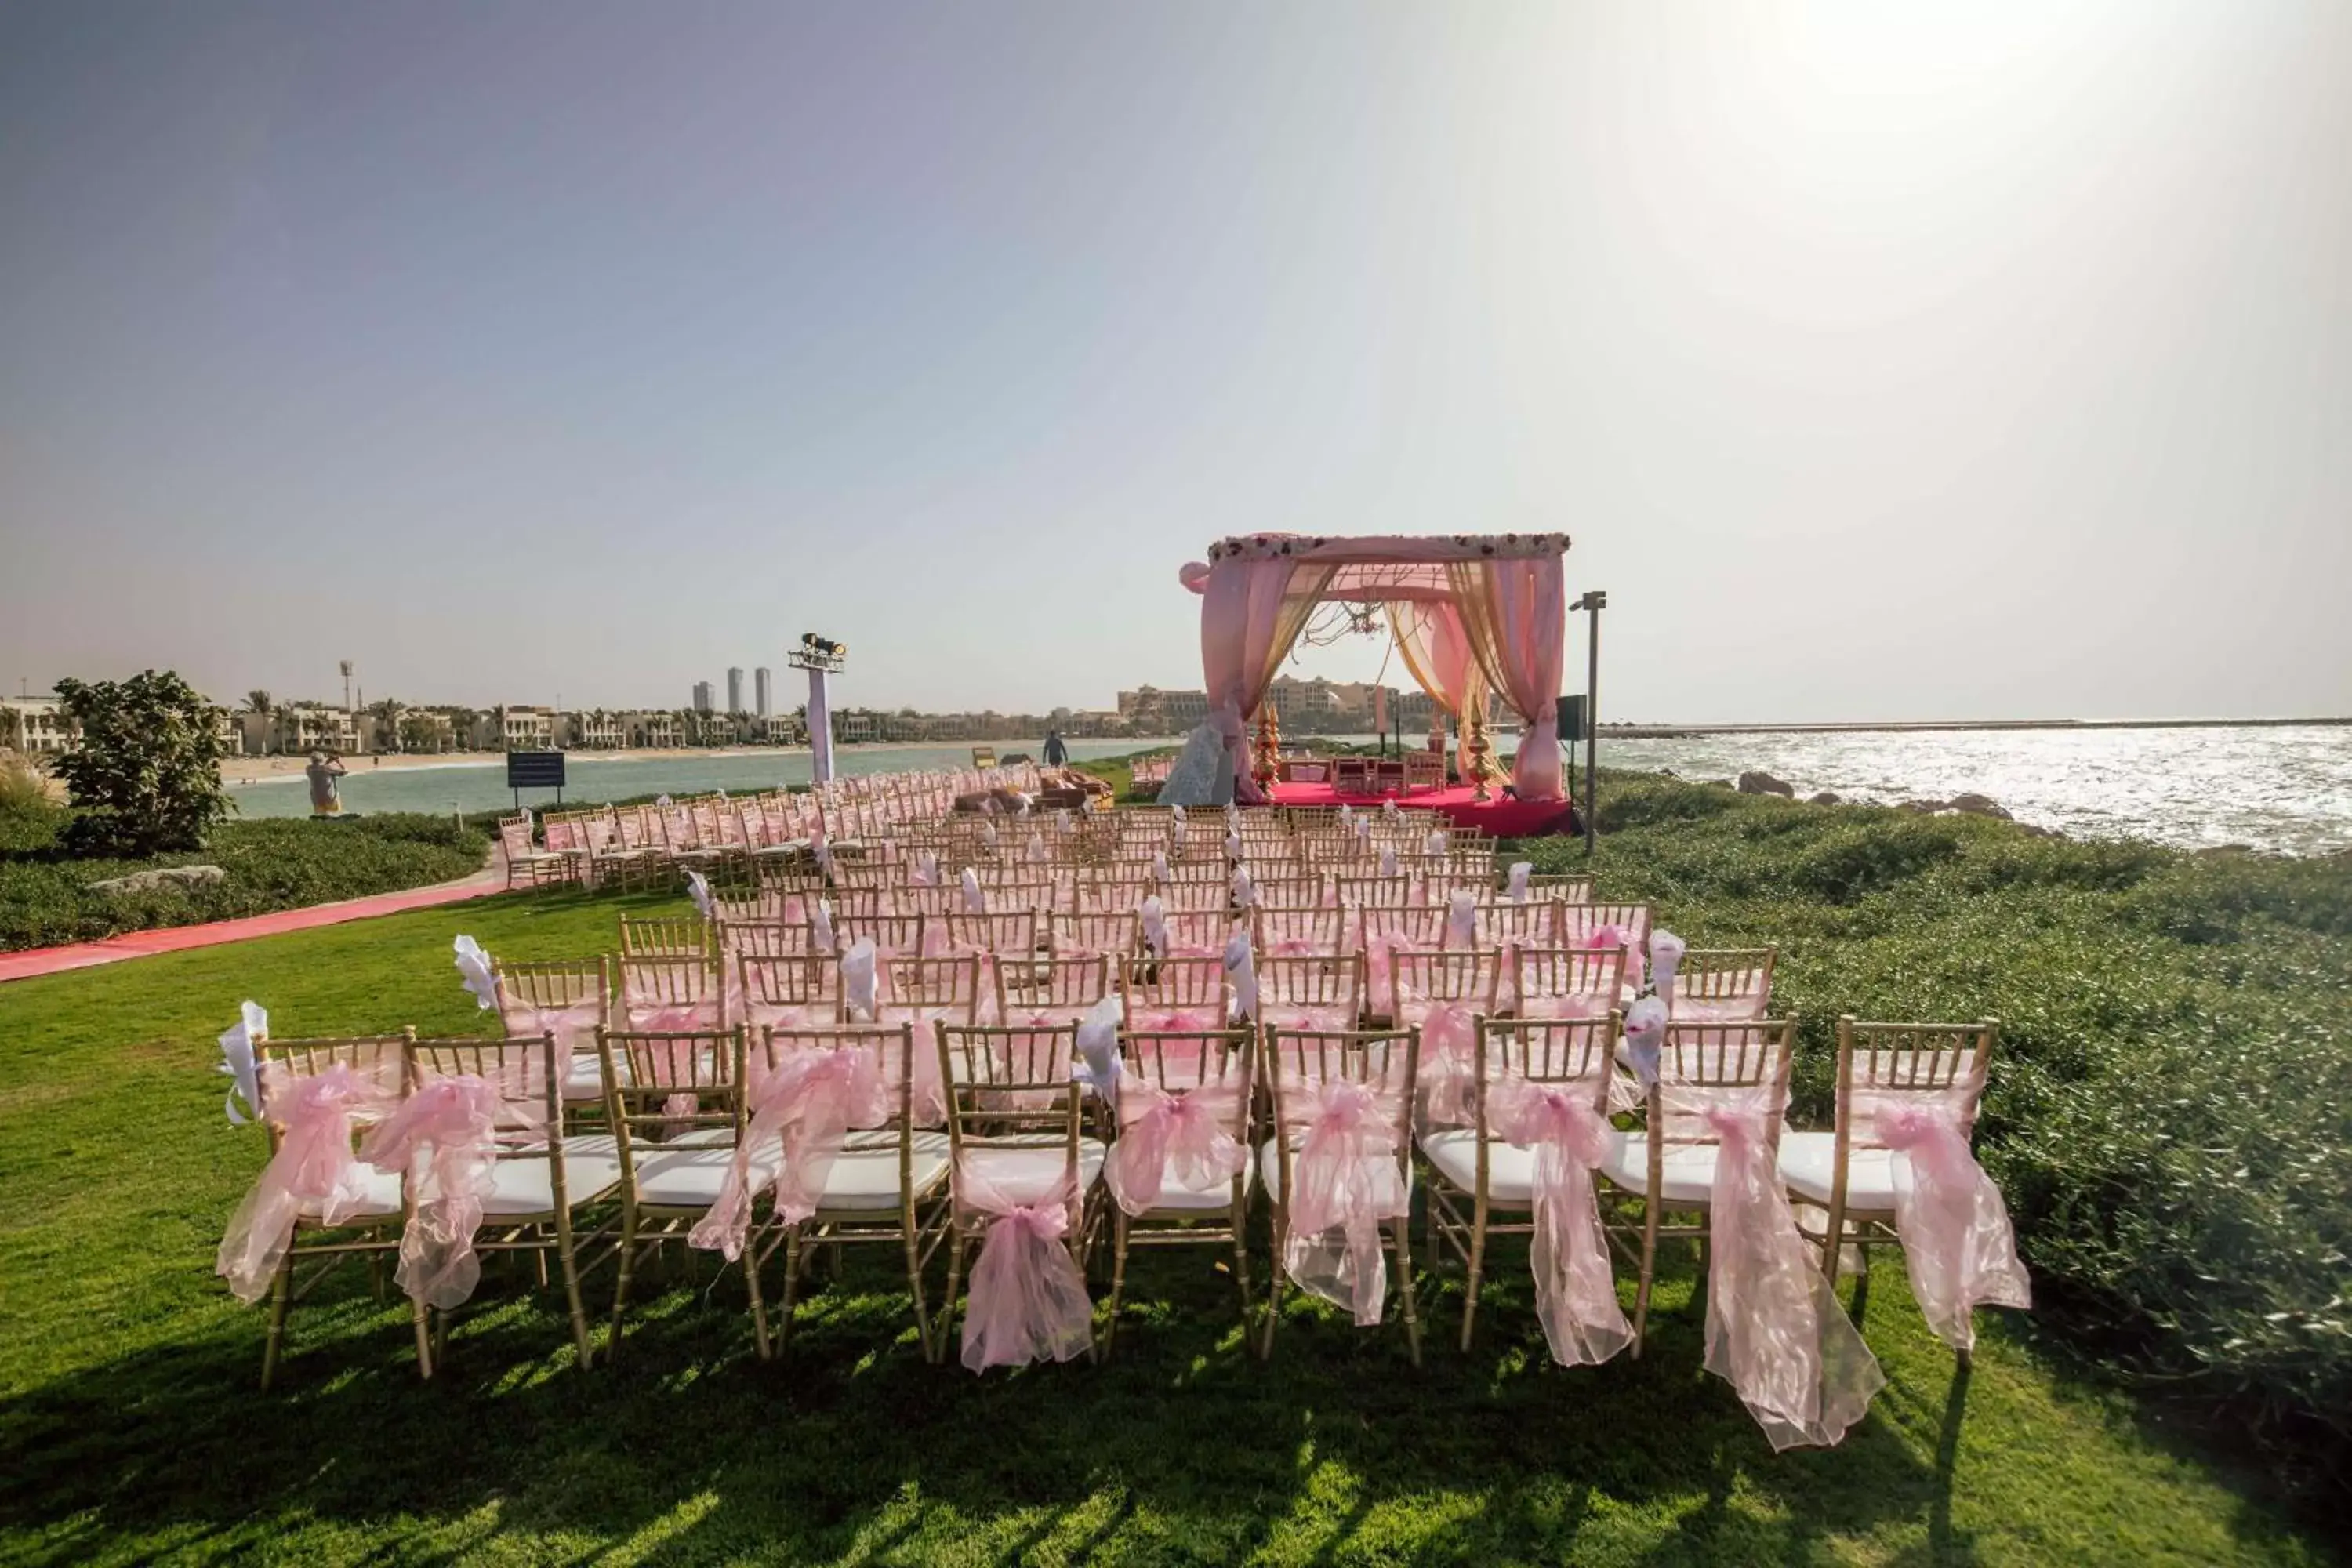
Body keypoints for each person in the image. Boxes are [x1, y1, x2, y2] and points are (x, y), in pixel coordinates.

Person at [305, 750, 347, 817]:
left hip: (317, 799)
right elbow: (344, 772)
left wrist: (328, 762)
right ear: (322, 758)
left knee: (321, 818)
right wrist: (338, 762)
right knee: (336, 817)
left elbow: (320, 768)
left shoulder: (309, 769)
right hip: (330, 798)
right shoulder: (327, 768)